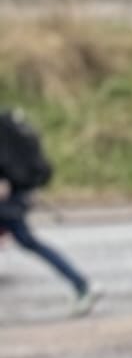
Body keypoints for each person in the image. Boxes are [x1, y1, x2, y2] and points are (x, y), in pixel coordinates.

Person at [0, 98, 97, 317]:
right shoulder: (7, 123)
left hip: (6, 198)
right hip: (15, 193)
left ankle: (82, 285)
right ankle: (81, 284)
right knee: (28, 241)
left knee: (28, 240)